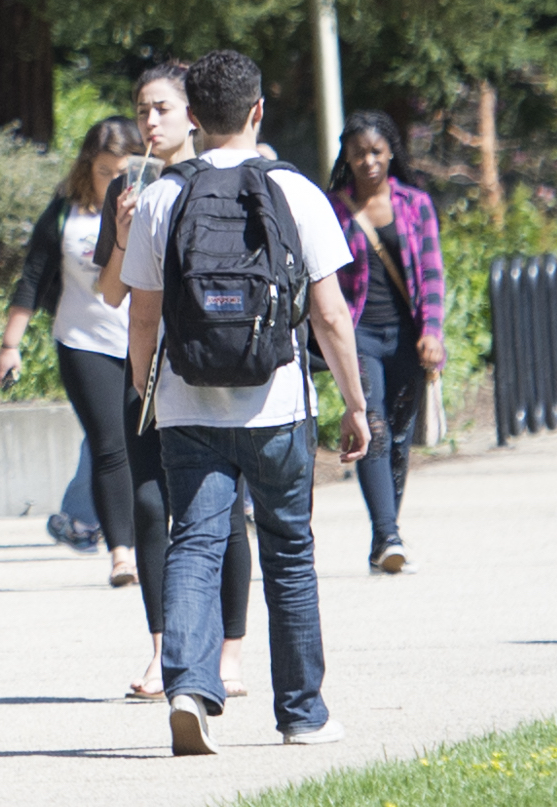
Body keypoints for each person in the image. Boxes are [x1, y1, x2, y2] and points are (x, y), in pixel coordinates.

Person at [118, 50, 372, 755]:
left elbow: (143, 315)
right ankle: (302, 713)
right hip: (277, 404)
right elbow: (329, 316)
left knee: (194, 544)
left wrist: (143, 386)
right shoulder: (295, 192)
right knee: (289, 552)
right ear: (258, 110)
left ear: (192, 117)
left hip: (187, 404)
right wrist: (356, 403)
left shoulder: (165, 197)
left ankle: (191, 690)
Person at [94, 63, 245, 701]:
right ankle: (165, 651)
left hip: (214, 363)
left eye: (160, 108)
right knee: (152, 505)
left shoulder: (226, 179)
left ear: (192, 114)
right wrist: (125, 239)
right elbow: (110, 294)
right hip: (147, 367)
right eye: (141, 109)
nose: (148, 122)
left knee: (224, 509)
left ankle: (229, 653)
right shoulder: (130, 186)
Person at [12, 118, 149, 597]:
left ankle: (155, 541)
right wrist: (11, 345)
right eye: (104, 170)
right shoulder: (66, 213)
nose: (114, 180)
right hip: (83, 340)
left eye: (123, 171)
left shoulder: (154, 202)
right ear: (87, 167)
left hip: (145, 338)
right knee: (109, 446)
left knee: (144, 445)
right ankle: (121, 554)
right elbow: (32, 276)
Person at [326, 111, 446, 575]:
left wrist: (432, 332)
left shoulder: (416, 205)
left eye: (376, 151)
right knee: (371, 425)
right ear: (348, 158)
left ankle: (384, 535)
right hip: (359, 334)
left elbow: (433, 275)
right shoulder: (334, 209)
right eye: (358, 153)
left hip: (408, 339)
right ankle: (388, 536)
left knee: (398, 437)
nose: (368, 161)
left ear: (391, 151)